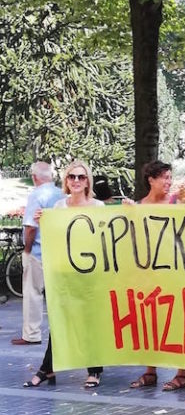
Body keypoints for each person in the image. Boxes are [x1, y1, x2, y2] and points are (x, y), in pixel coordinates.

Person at [23, 160, 103, 388]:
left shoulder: (98, 207)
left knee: (90, 322)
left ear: (88, 180)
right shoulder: (59, 207)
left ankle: (93, 370)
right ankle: (48, 367)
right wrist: (42, 222)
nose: (76, 181)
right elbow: (53, 239)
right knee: (60, 321)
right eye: (71, 177)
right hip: (65, 274)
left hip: (91, 274)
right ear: (66, 181)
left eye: (81, 177)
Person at [128, 160, 185, 392]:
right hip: (148, 273)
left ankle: (182, 373)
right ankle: (150, 370)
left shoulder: (177, 202)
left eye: (170, 177)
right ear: (151, 180)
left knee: (177, 321)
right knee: (149, 321)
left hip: (175, 272)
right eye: (163, 177)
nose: (168, 182)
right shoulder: (138, 205)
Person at [13, 162, 64, 346]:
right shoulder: (61, 194)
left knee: (33, 293)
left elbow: (30, 227)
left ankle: (32, 334)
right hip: (57, 252)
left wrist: (27, 249)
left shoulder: (36, 195)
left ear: (35, 177)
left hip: (38, 250)